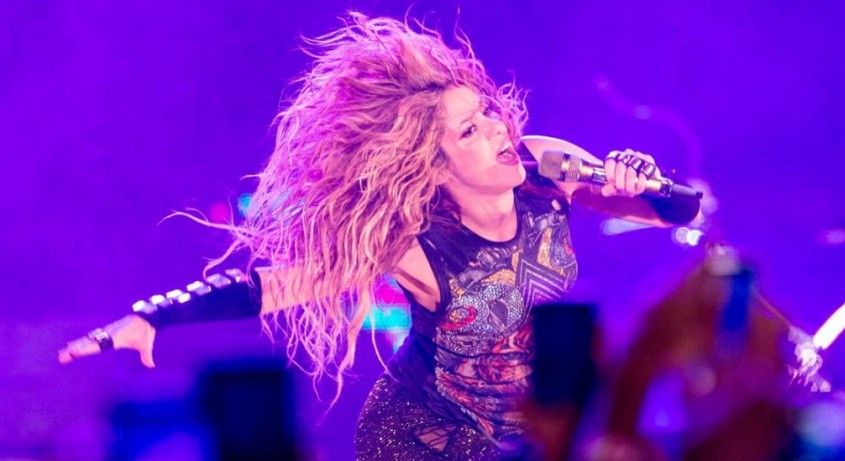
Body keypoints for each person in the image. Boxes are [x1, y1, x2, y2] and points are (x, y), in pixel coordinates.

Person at [58, 13, 699, 460]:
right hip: (425, 439)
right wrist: (154, 316)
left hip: (532, 426)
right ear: (434, 165)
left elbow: (679, 212)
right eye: (469, 132)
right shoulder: (415, 246)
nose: (497, 130)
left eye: (485, 113)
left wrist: (644, 183)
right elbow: (272, 288)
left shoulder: (544, 166)